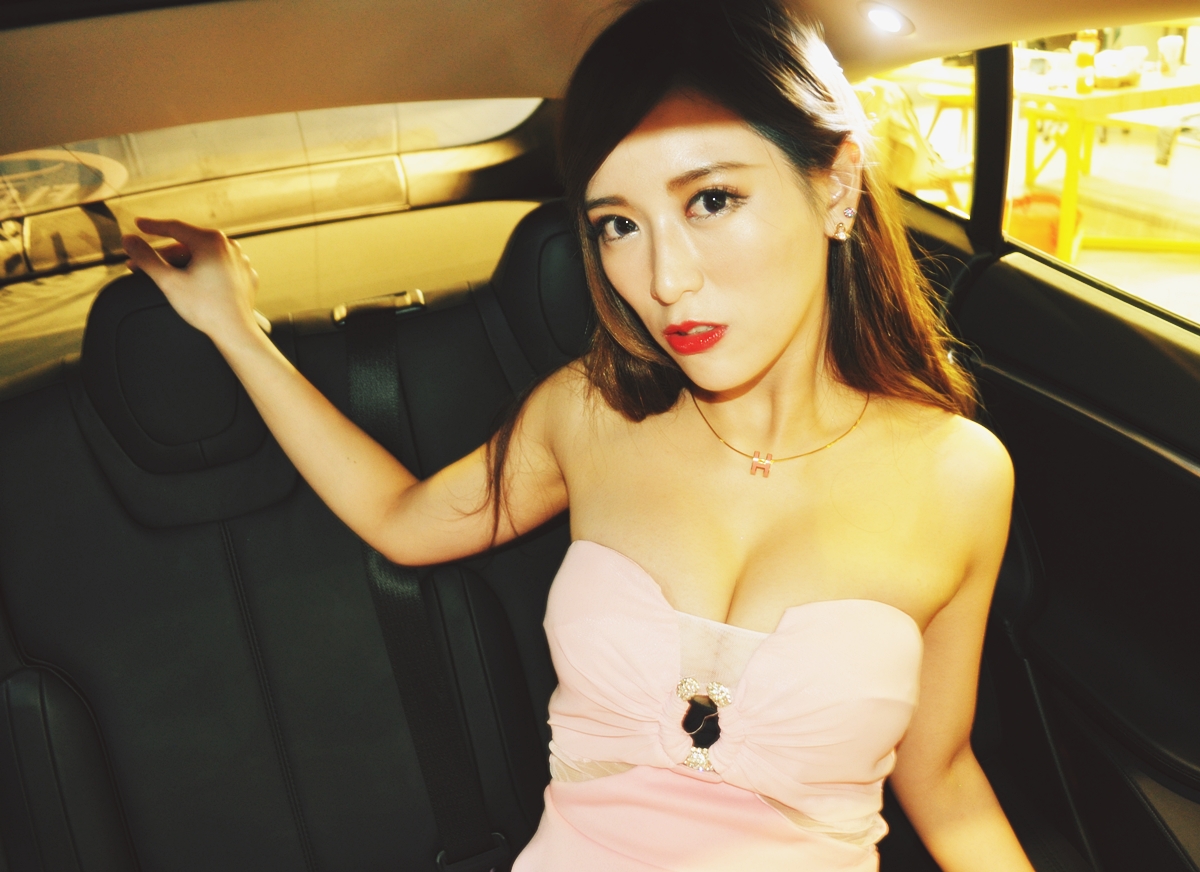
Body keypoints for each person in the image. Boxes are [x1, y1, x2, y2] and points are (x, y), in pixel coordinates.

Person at [122, 0, 1034, 868]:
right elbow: (402, 519)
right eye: (618, 225)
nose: (665, 278)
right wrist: (236, 331)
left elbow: (944, 781)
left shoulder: (957, 475)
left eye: (711, 200)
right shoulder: (589, 414)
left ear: (835, 186)